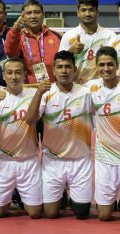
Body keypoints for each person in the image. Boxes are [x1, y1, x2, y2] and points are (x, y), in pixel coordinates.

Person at [26, 51, 93, 220]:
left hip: (80, 161)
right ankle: (61, 194)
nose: (64, 71)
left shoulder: (86, 92)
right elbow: (30, 120)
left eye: (68, 67)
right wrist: (38, 93)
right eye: (60, 67)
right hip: (53, 161)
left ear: (75, 69)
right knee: (50, 213)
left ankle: (72, 196)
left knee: (82, 214)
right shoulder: (46, 93)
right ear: (53, 71)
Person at [0, 57, 42, 218]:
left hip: (28, 161)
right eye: (9, 73)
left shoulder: (34, 95)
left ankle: (21, 198)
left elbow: (32, 119)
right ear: (4, 76)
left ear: (24, 75)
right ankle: (10, 198)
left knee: (35, 213)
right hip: (3, 161)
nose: (13, 77)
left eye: (17, 73)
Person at [84, 46, 120, 221]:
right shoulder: (91, 88)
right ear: (96, 66)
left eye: (110, 64)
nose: (106, 68)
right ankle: (118, 200)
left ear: (117, 65)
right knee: (104, 216)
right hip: (105, 158)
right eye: (102, 65)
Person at [59, 0, 116, 84]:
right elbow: (60, 63)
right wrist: (70, 51)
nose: (87, 14)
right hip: (76, 87)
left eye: (91, 10)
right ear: (78, 12)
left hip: (101, 88)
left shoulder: (110, 36)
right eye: (83, 10)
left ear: (97, 12)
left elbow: (115, 64)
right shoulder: (69, 36)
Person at [4, 0, 61, 85]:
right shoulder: (17, 37)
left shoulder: (56, 36)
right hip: (28, 90)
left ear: (43, 15)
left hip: (53, 89)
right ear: (23, 16)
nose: (33, 16)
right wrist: (15, 29)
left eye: (37, 12)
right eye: (29, 13)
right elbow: (10, 52)